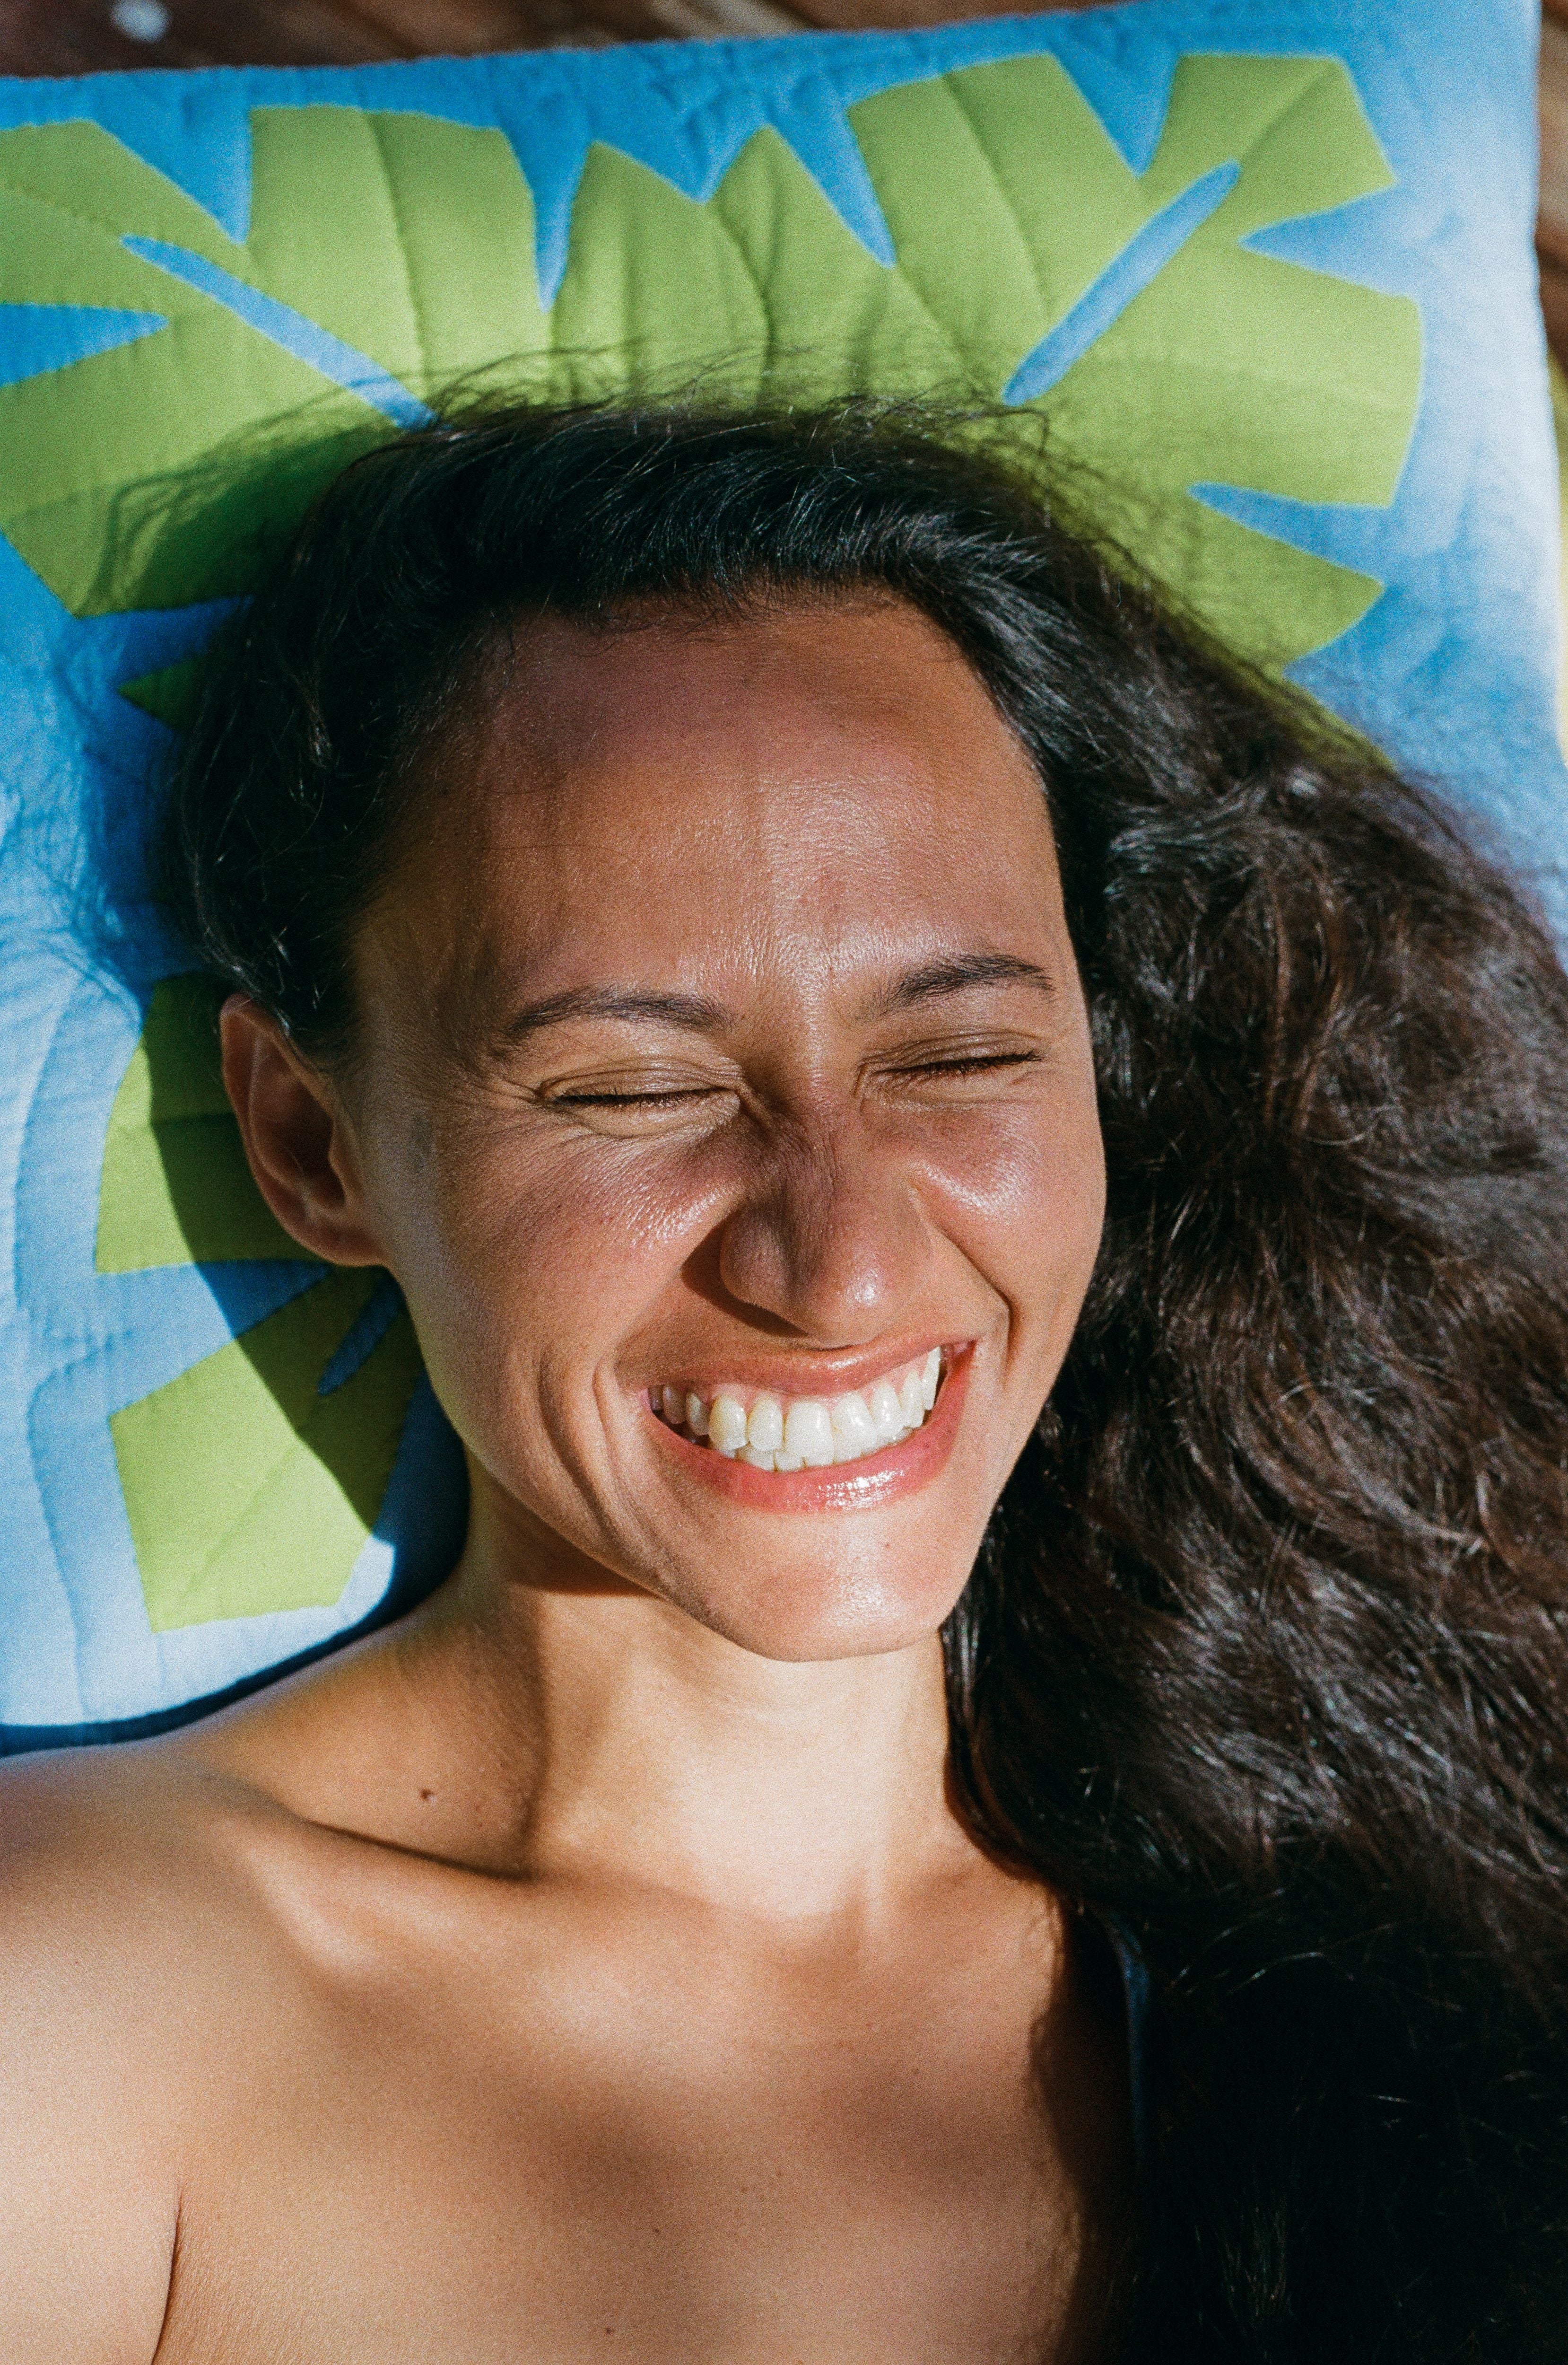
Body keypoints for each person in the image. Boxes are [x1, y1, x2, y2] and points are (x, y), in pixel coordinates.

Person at [1, 402, 1566, 2365]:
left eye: (958, 1055)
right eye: (630, 1089)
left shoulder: (1437, 1921)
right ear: (312, 1143)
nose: (833, 1260)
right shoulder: (83, 2015)